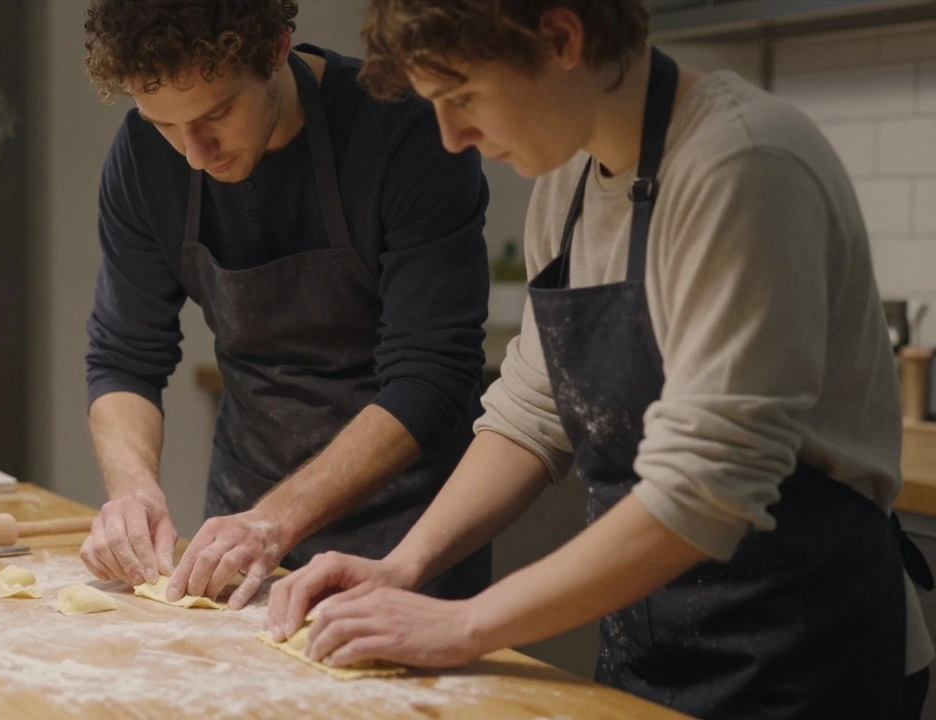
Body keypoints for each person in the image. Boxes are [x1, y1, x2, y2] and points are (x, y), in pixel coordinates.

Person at [265, 1, 934, 717]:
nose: (452, 137)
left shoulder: (742, 163)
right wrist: (402, 567)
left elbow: (708, 487)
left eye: (462, 97)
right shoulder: (571, 180)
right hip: (652, 645)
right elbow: (532, 408)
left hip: (804, 657)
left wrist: (466, 624)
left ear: (560, 38)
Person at [79, 0, 493, 611]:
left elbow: (431, 376)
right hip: (240, 521)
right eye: (167, 126)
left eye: (218, 112)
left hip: (404, 540)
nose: (196, 152)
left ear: (277, 49)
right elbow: (123, 357)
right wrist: (134, 490)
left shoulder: (404, 131)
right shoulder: (143, 156)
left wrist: (277, 520)